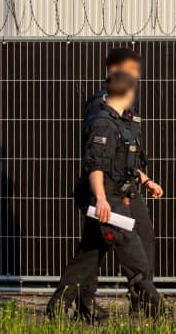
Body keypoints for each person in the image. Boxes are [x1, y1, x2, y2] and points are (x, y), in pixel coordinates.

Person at [47, 72, 163, 319]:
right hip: (109, 198)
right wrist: (100, 199)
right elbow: (96, 166)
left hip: (124, 192)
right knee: (133, 256)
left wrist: (147, 181)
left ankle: (60, 309)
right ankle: (157, 312)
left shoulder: (124, 120)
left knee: (89, 254)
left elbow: (126, 162)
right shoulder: (103, 121)